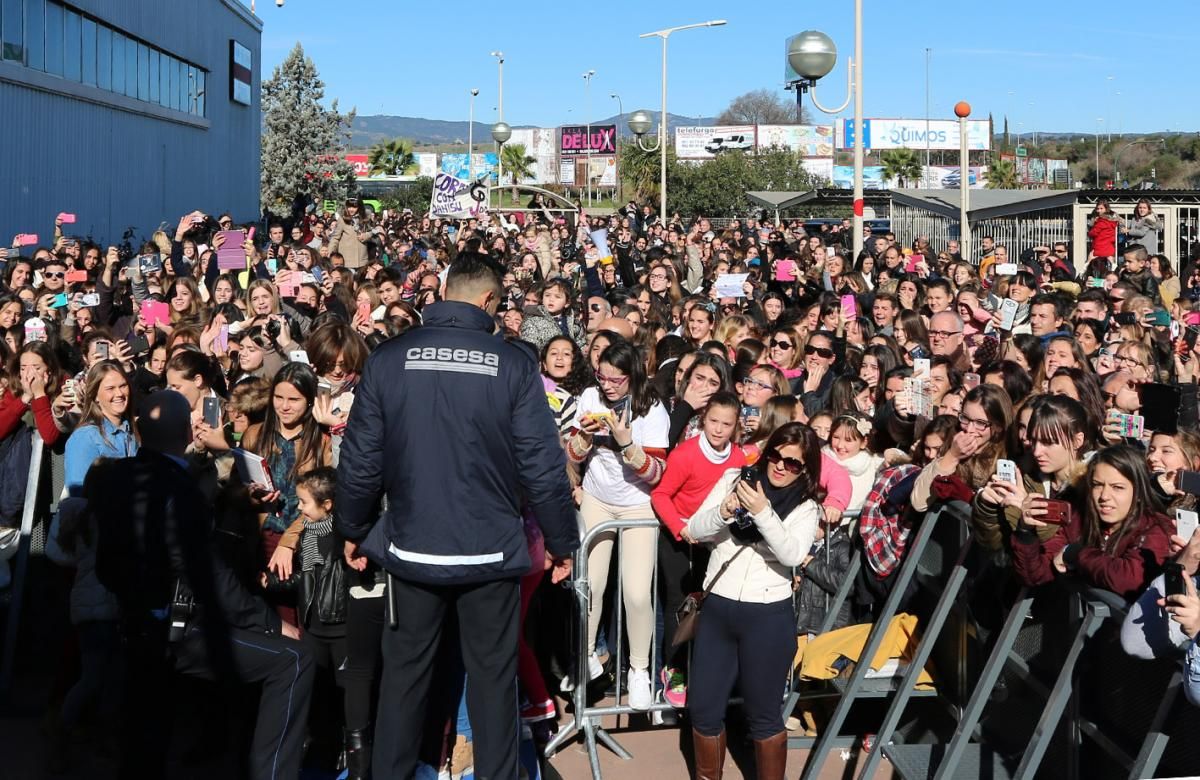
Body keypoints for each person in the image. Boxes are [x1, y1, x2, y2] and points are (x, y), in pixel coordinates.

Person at [335, 254, 577, 780]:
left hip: (412, 545)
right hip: (489, 550)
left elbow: (359, 459)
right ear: (489, 301)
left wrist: (351, 528)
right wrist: (562, 540)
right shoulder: (513, 364)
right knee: (493, 685)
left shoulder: (389, 357)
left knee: (404, 681)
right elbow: (543, 464)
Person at [93, 390, 313, 780]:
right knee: (294, 661)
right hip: (179, 628)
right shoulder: (179, 492)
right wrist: (270, 621)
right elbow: (206, 575)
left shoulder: (118, 477)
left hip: (133, 623)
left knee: (147, 737)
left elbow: (106, 563)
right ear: (184, 431)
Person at [686, 422, 824, 780]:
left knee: (763, 716)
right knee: (702, 709)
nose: (780, 466)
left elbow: (791, 553)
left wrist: (762, 512)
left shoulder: (807, 507)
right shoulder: (736, 478)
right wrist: (726, 510)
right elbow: (695, 529)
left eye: (792, 463)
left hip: (766, 615)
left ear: (806, 468)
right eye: (776, 456)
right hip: (718, 606)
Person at [565, 339, 670, 709]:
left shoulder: (652, 409)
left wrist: (627, 445)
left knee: (637, 592)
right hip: (597, 498)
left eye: (614, 379)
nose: (606, 384)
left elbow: (657, 474)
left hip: (637, 504)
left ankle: (639, 670)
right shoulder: (591, 398)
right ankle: (587, 654)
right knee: (589, 585)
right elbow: (574, 455)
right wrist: (585, 436)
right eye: (601, 376)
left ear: (632, 376)